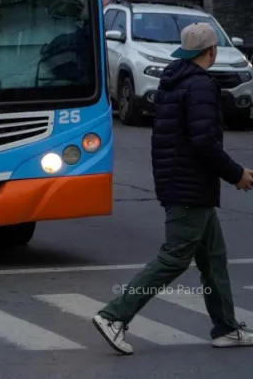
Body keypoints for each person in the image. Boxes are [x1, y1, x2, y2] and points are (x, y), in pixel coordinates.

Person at [93, 22, 253, 354]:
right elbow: (205, 143)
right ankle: (114, 315)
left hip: (180, 183)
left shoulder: (172, 82)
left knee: (213, 258)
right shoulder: (199, 87)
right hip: (189, 186)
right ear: (211, 51)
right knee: (175, 258)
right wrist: (237, 174)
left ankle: (225, 328)